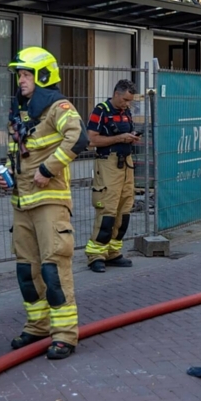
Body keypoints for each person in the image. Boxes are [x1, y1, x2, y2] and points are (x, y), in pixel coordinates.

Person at [0, 47, 88, 360]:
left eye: (26, 74)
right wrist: (8, 173)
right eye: (19, 74)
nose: (21, 80)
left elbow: (78, 139)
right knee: (26, 270)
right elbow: (22, 152)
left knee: (53, 269)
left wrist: (48, 169)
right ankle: (37, 325)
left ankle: (64, 335)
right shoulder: (21, 110)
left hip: (49, 202)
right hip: (22, 202)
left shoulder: (58, 107)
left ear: (43, 76)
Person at [85, 79, 140, 273]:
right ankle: (95, 255)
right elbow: (91, 139)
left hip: (126, 162)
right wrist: (119, 138)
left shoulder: (125, 112)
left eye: (129, 101)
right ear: (116, 94)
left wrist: (131, 137)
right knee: (107, 209)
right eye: (125, 99)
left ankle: (113, 252)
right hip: (107, 163)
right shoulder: (101, 110)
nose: (127, 104)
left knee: (124, 208)